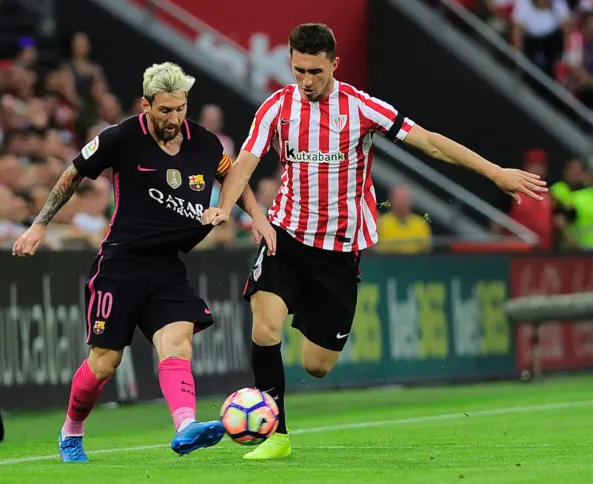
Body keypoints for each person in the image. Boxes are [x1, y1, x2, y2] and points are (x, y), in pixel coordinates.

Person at [202, 23, 548, 460]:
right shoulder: (276, 108)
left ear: (334, 64)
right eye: (298, 70)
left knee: (317, 365)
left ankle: (285, 401)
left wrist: (495, 172)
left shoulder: (363, 108)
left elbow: (431, 143)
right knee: (264, 325)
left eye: (315, 71)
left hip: (340, 253)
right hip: (285, 237)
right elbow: (244, 164)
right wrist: (224, 207)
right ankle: (276, 435)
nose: (306, 81)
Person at [12, 61, 275, 462]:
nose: (174, 119)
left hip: (167, 268)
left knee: (177, 342)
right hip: (120, 264)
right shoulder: (120, 137)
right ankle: (72, 431)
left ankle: (185, 426)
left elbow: (235, 177)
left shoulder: (204, 143)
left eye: (180, 109)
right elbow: (73, 174)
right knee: (105, 362)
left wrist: (250, 215)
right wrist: (39, 225)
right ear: (146, 104)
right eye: (165, 110)